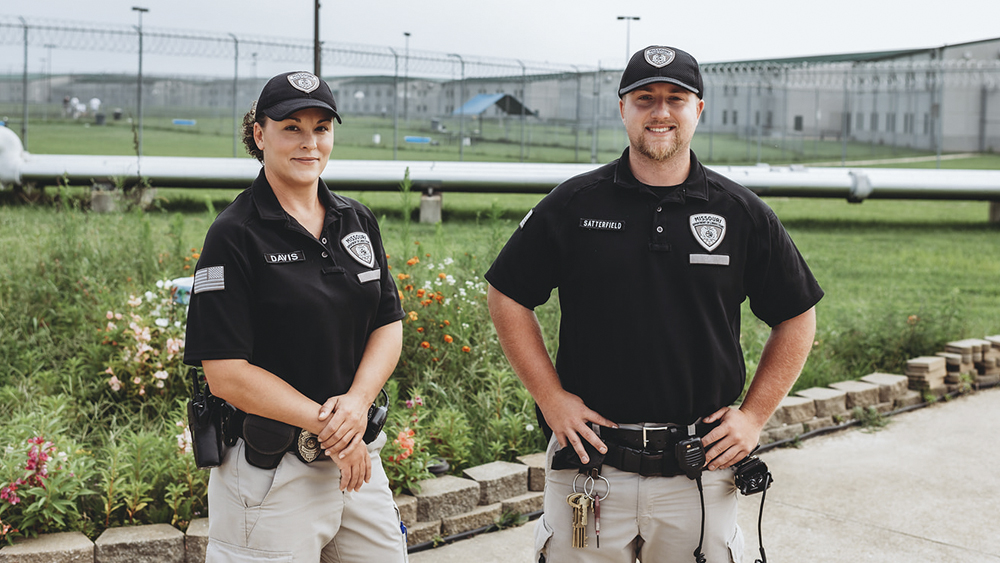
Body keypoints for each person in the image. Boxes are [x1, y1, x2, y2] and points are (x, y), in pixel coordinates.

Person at [486, 46, 823, 563]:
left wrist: (753, 418)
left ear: (698, 110)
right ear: (623, 109)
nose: (660, 112)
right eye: (645, 99)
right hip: (589, 466)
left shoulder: (740, 213)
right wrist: (551, 398)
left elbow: (797, 315)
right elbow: (507, 293)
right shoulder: (576, 204)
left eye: (675, 99)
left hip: (700, 472)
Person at [184, 71, 408, 562]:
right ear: (259, 134)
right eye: (291, 128)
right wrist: (331, 427)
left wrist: (356, 404)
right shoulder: (235, 235)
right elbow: (225, 374)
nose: (310, 143)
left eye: (321, 128)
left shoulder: (356, 219)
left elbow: (387, 325)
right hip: (273, 475)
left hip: (356, 463)